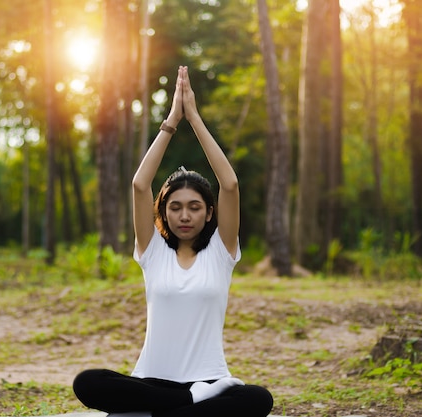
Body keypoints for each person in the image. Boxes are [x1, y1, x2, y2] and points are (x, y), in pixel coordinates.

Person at [73, 66, 273, 417]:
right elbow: (139, 184)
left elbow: (229, 185)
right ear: (162, 213)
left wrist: (194, 117)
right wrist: (170, 122)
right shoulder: (152, 251)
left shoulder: (221, 252)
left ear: (209, 213)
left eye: (194, 207)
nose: (184, 215)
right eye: (175, 207)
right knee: (88, 382)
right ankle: (188, 405)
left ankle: (176, 407)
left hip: (212, 379)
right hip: (151, 381)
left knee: (258, 399)